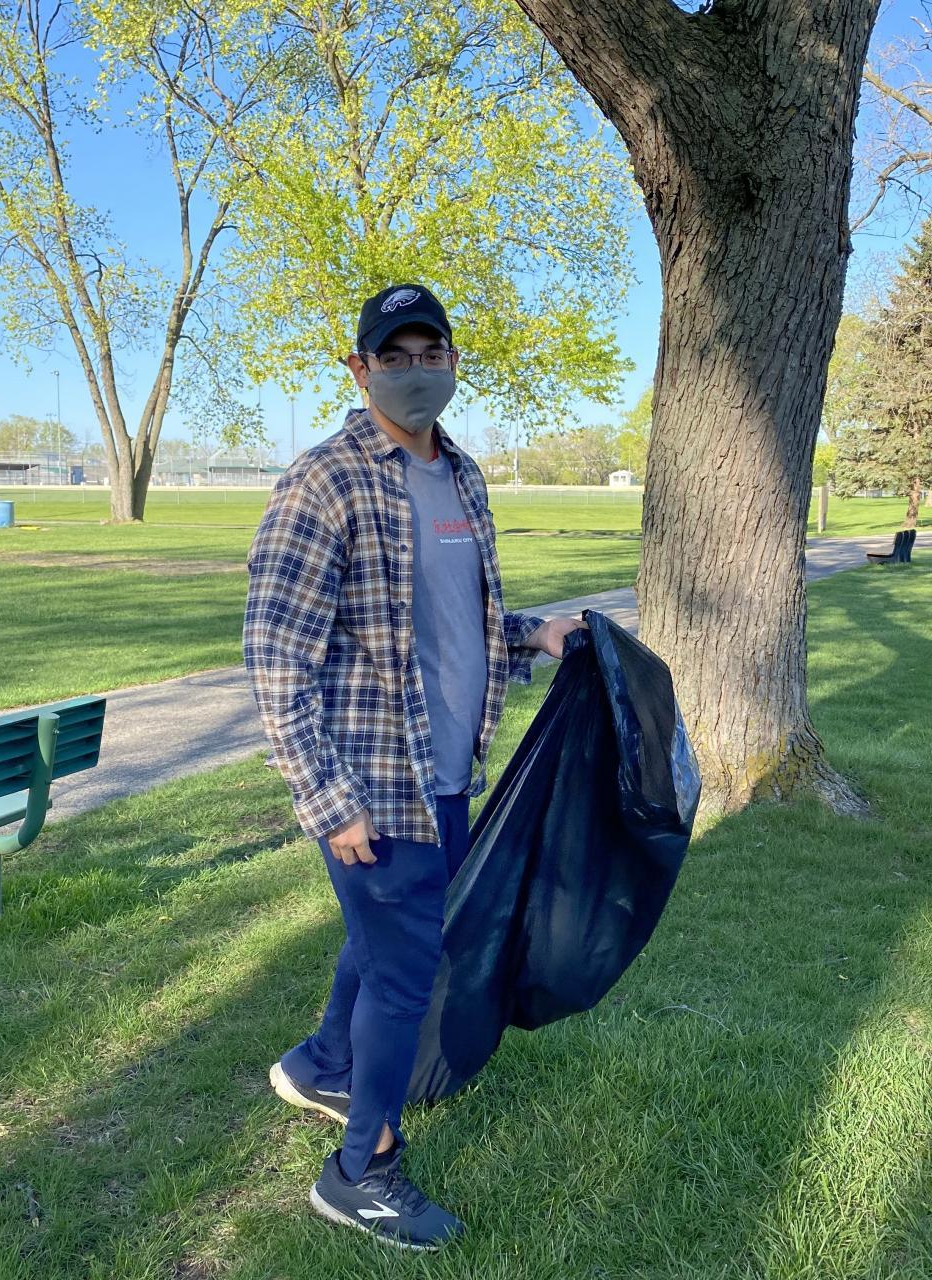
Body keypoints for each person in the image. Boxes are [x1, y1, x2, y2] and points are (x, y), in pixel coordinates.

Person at [243, 283, 587, 1251]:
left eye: (429, 352)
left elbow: (454, 624)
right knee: (407, 970)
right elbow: (275, 656)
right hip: (370, 787)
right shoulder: (323, 482)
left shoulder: (461, 476)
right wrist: (327, 799)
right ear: (359, 369)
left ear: (452, 361)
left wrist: (536, 634)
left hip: (447, 773)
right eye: (392, 356)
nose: (414, 370)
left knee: (389, 939)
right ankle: (361, 1169)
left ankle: (322, 1065)